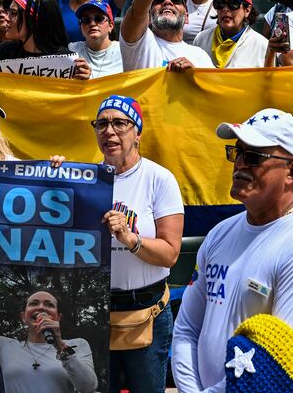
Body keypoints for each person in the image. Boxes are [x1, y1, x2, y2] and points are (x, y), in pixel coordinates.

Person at [173, 107, 293, 392]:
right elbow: (187, 330)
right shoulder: (219, 234)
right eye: (237, 153)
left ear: (292, 172)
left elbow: (274, 366)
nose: (239, 164)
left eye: (254, 157)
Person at [86, 95, 183, 392]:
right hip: (93, 311)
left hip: (144, 312)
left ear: (137, 132)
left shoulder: (159, 179)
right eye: (102, 124)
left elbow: (170, 254)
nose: (109, 131)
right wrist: (58, 175)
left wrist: (131, 239)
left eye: (120, 123)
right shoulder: (86, 178)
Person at [0, 290, 99, 392]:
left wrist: (59, 345)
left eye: (49, 304)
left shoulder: (77, 345)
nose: (41, 308)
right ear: (23, 317)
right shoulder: (5, 346)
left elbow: (88, 387)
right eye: (33, 303)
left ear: (58, 317)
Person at [0, 0, 91, 77]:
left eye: (13, 13)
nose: (6, 18)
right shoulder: (5, 51)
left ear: (33, 20)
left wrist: (83, 81)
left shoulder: (66, 61)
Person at [193, 0, 273, 69]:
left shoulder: (261, 46)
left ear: (247, 10)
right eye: (220, 3)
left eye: (233, 4)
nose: (225, 9)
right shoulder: (201, 39)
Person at [69, 0, 122, 77]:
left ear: (111, 26)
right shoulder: (72, 50)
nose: (92, 23)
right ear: (80, 28)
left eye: (99, 19)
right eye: (86, 20)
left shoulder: (123, 51)